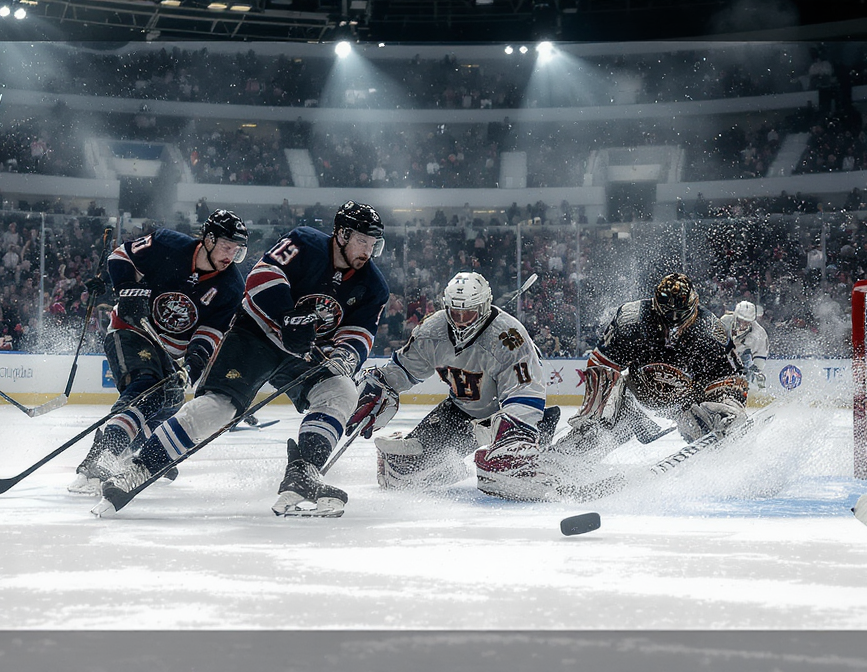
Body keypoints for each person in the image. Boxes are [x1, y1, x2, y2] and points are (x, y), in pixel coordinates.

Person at [92, 201, 389, 518]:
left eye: (373, 244)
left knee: (341, 391)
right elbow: (262, 276)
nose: (367, 251)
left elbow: (360, 332)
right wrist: (286, 317)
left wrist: (345, 356)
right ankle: (137, 469)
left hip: (305, 350)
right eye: (362, 241)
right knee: (217, 408)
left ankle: (305, 470)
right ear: (341, 234)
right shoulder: (304, 243)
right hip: (255, 335)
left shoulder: (373, 286)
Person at [67, 211, 248, 495]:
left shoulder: (231, 286)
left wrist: (192, 367)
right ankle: (102, 456)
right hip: (131, 330)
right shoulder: (167, 245)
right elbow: (120, 257)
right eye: (227, 246)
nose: (231, 255)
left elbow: (208, 335)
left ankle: (128, 453)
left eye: (237, 250)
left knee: (166, 406)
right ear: (209, 239)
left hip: (170, 355)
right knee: (145, 388)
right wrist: (127, 290)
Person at [353, 272, 562, 500]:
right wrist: (380, 385)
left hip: (512, 416)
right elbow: (404, 369)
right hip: (461, 412)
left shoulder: (509, 337)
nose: (461, 320)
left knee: (506, 472)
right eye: (455, 312)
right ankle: (447, 467)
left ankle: (546, 461)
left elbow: (526, 392)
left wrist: (511, 434)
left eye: (469, 313)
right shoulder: (432, 330)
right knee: (403, 472)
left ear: (482, 308)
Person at [545, 273, 748, 497]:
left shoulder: (711, 331)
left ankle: (717, 469)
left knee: (712, 423)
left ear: (694, 306)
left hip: (687, 403)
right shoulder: (631, 319)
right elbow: (601, 366)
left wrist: (730, 407)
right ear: (654, 303)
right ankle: (569, 458)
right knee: (605, 418)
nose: (671, 321)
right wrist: (591, 416)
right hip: (636, 395)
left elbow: (732, 377)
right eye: (665, 313)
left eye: (678, 314)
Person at [718, 300, 769, 388]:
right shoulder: (724, 321)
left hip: (743, 357)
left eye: (746, 322)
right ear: (735, 316)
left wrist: (755, 370)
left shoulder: (759, 334)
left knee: (750, 371)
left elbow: (760, 357)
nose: (742, 325)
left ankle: (747, 390)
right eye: (740, 320)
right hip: (724, 352)